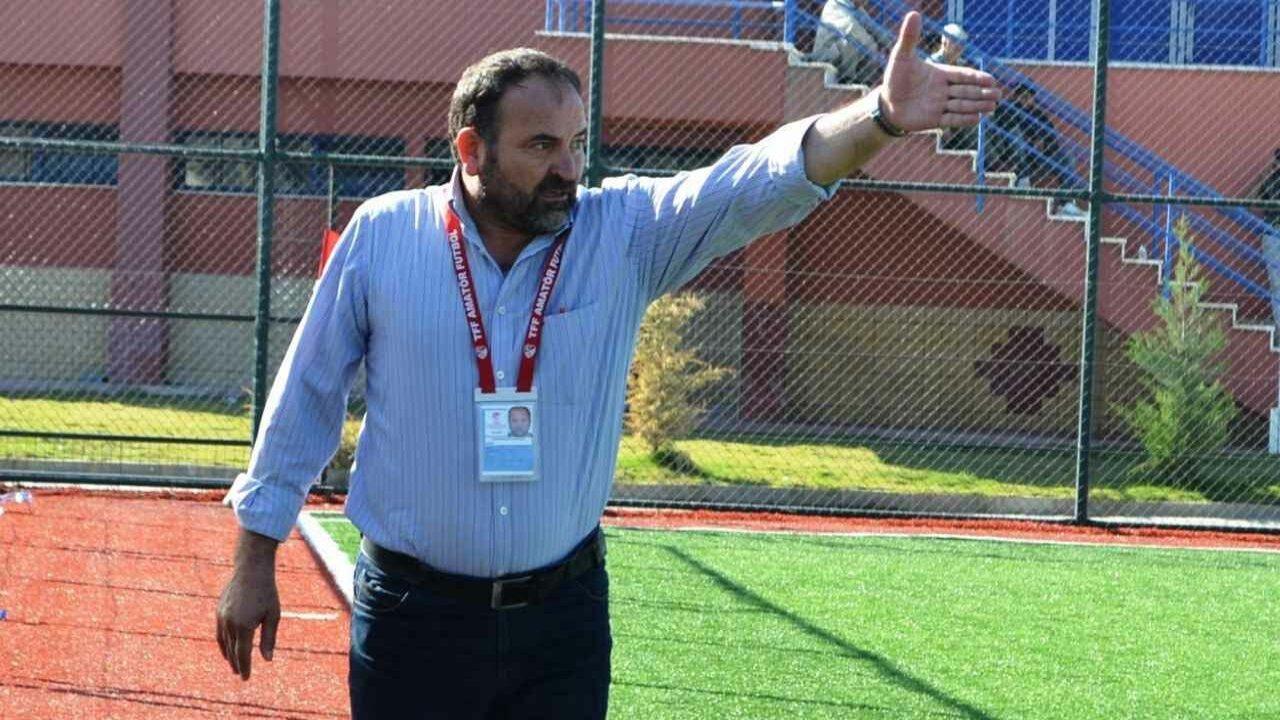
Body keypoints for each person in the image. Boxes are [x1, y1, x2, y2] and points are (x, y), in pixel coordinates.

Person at [215, 13, 999, 719]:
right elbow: (308, 390)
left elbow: (754, 183)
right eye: (541, 146)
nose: (569, 167)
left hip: (561, 623)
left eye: (577, 143)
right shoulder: (383, 235)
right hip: (414, 619)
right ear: (471, 150)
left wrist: (879, 116)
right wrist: (255, 556)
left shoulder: (622, 232)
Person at [991, 83, 1084, 217]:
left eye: (1029, 96)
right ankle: (1023, 177)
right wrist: (1031, 140)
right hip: (1015, 155)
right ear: (1015, 96)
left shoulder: (1039, 115)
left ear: (1033, 98)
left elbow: (1052, 139)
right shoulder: (1008, 109)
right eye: (1022, 95)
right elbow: (1005, 128)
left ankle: (1065, 203)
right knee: (1016, 135)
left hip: (1038, 157)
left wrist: (1043, 143)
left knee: (1068, 157)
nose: (1025, 98)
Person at [810, 0, 891, 86]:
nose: (866, 1)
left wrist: (890, 44)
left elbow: (873, 27)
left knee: (869, 46)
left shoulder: (856, 8)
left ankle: (865, 81)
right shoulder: (835, 4)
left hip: (843, 50)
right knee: (852, 43)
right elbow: (851, 28)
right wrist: (874, 49)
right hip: (827, 52)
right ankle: (846, 79)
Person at [1255, 148, 1280, 325]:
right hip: (1272, 234)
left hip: (1272, 234)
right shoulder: (1271, 180)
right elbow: (1251, 200)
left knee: (1277, 284)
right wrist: (1262, 179)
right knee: (1276, 283)